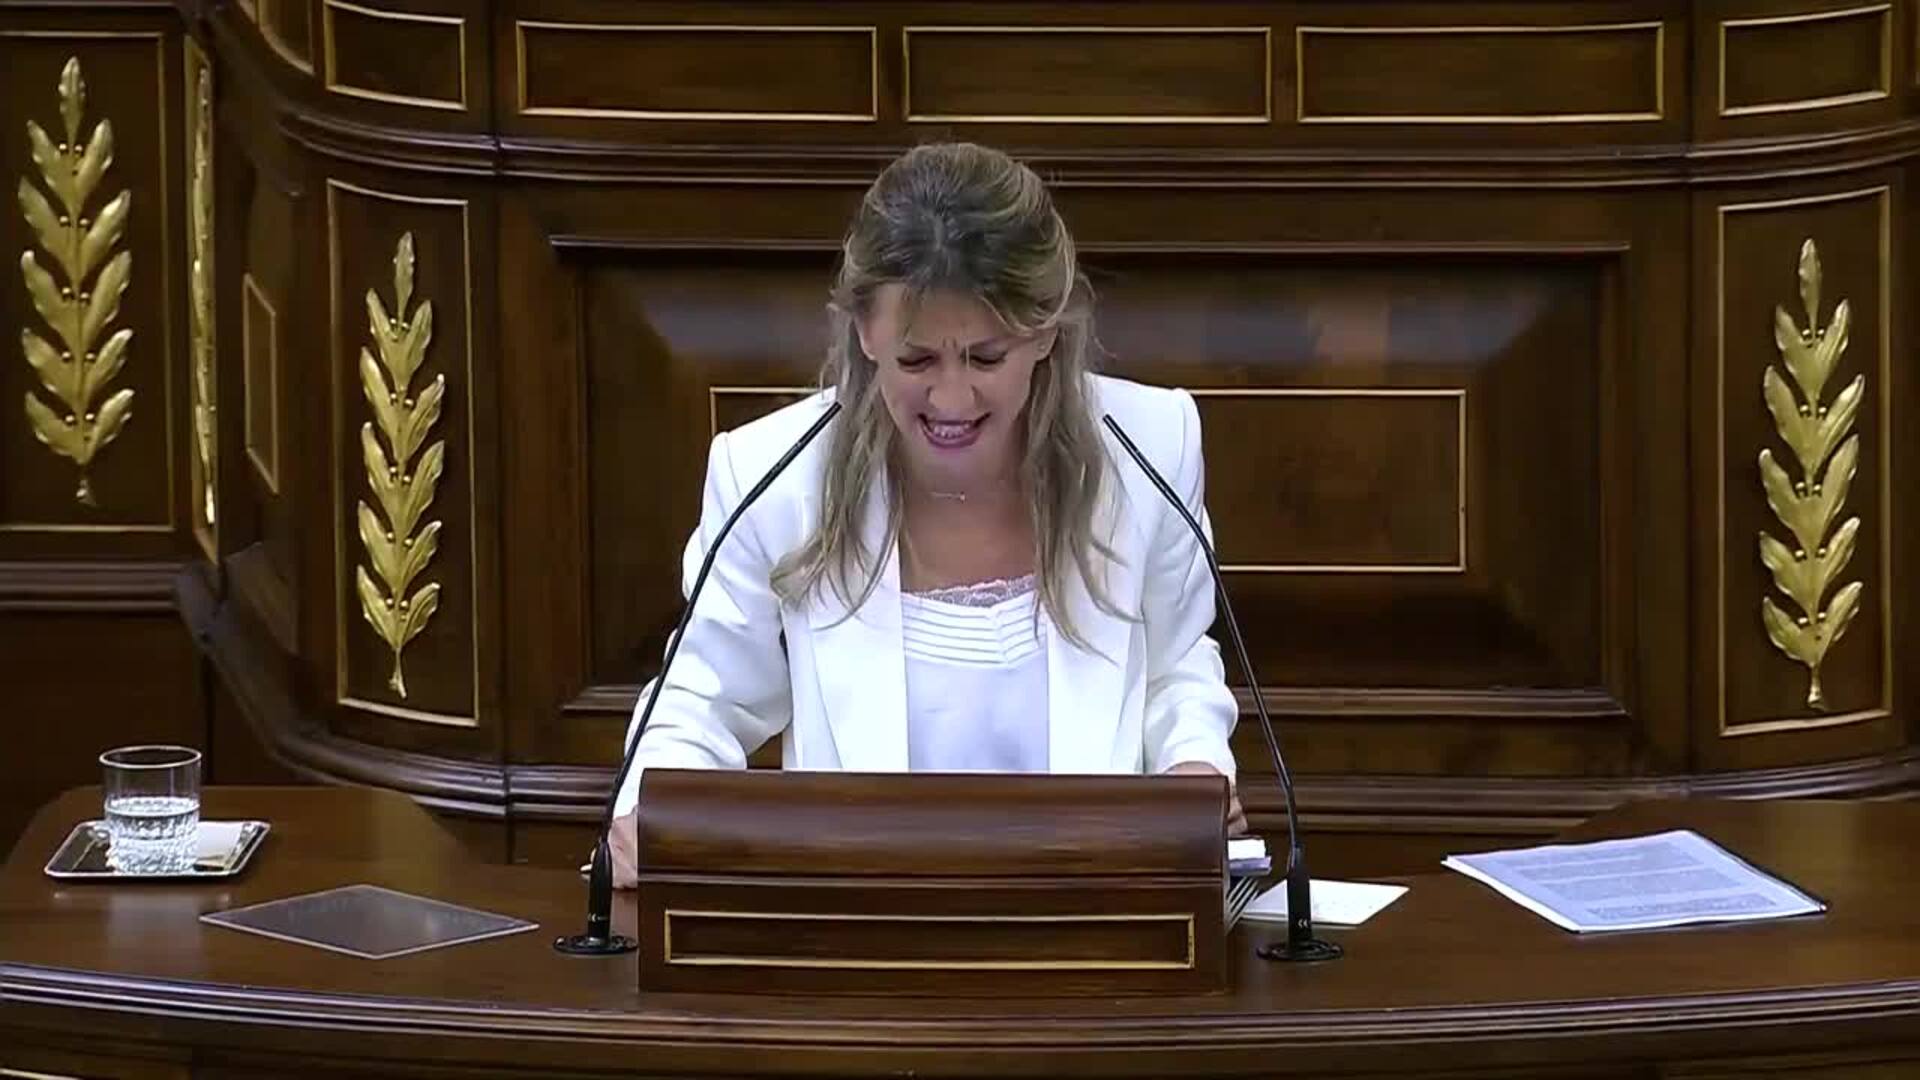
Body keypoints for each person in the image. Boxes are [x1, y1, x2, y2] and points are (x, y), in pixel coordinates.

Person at [610, 141, 1242, 887]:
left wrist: (1193, 764)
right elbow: (702, 695)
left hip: (1091, 908)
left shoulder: (1150, 449)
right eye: (916, 361)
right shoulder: (769, 475)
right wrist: (652, 815)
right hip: (860, 912)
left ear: (1044, 329)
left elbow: (1174, 663)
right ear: (864, 331)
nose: (950, 398)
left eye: (985, 357)